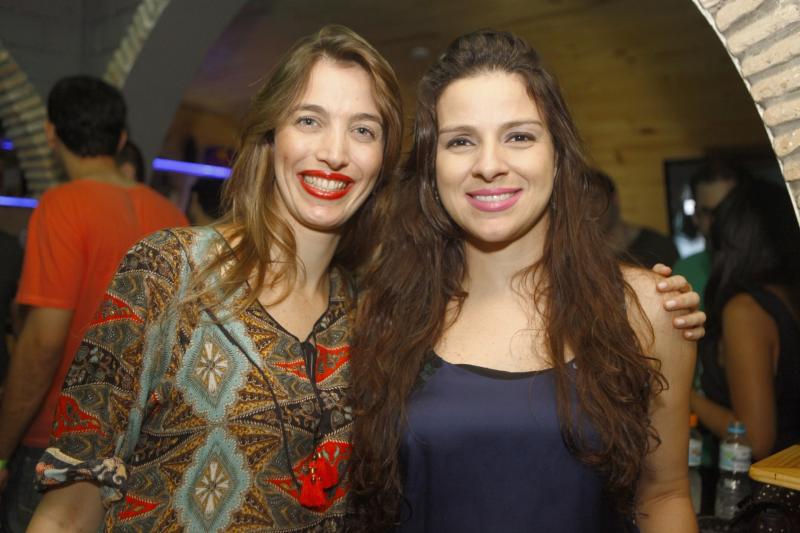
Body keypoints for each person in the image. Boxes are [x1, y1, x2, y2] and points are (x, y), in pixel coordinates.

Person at [25, 27, 702, 533]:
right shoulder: (173, 271)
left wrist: (653, 302)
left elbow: (662, 492)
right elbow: (70, 501)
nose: (333, 151)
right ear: (269, 134)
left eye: (363, 129)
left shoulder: (367, 310)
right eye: (309, 120)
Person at [349, 30, 697, 532]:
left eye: (519, 136)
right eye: (461, 141)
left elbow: (664, 494)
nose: (490, 165)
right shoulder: (386, 312)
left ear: (558, 154)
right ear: (431, 166)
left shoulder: (647, 308)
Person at [0, 76, 188, 532]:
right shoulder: (173, 216)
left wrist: (2, 447)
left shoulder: (61, 206)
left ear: (51, 134)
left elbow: (43, 343)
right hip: (141, 446)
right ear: (121, 139)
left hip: (59, 442)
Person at [692, 181, 800, 460]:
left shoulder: (746, 311)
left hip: (767, 480)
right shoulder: (785, 295)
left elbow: (755, 439)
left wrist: (684, 396)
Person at [672, 161, 745, 310]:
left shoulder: (767, 269)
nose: (718, 221)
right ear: (696, 217)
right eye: (708, 212)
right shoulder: (684, 272)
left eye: (727, 211)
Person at [596, 170, 679, 269]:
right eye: (582, 203)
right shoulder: (586, 255)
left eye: (595, 198)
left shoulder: (659, 246)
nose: (589, 208)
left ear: (615, 198)